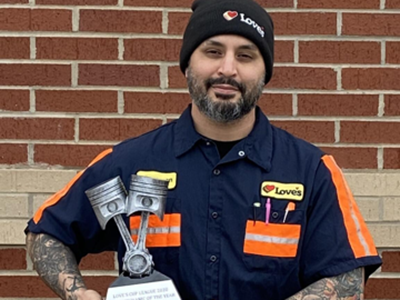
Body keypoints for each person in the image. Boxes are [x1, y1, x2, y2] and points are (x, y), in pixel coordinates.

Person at [25, 0, 382, 299]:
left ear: (264, 71)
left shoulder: (312, 170)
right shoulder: (130, 163)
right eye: (212, 51)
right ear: (188, 63)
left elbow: (348, 278)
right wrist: (78, 293)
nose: (227, 69)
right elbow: (46, 232)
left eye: (246, 55)